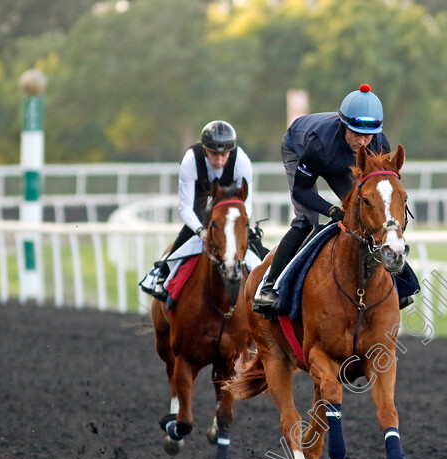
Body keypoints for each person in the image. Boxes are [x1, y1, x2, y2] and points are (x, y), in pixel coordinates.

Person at [252, 84, 419, 313]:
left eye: (367, 135)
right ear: (343, 126)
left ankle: (399, 282)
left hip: (342, 161)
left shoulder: (379, 144)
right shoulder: (320, 145)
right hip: (299, 148)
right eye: (356, 133)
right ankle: (269, 286)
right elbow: (302, 191)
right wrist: (332, 211)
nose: (362, 141)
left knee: (367, 216)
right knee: (306, 222)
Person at [151, 120, 255, 301]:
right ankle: (161, 275)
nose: (220, 160)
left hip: (231, 200)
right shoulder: (191, 161)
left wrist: (239, 225)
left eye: (225, 154)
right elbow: (185, 208)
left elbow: (247, 204)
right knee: (189, 232)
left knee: (252, 240)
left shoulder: (242, 162)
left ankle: (267, 282)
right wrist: (201, 231)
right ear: (205, 149)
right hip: (200, 195)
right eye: (214, 154)